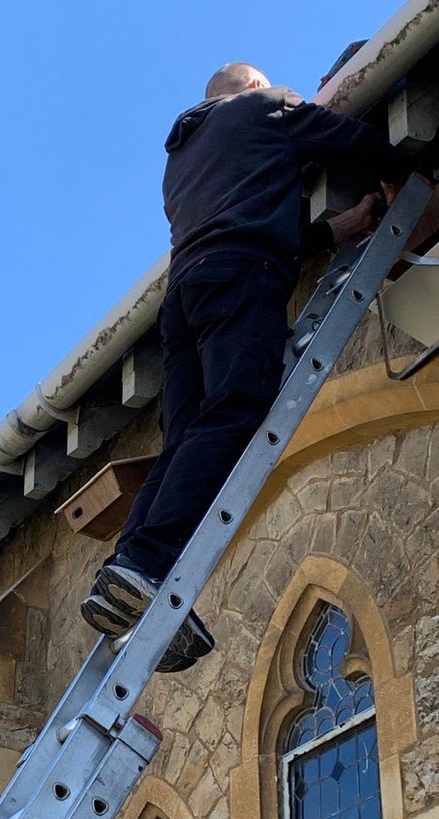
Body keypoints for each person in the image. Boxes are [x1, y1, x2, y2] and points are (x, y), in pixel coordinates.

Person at [81, 62, 410, 672]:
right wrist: (408, 169)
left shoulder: (182, 160)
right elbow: (350, 137)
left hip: (185, 301)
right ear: (256, 87)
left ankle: (130, 570)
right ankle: (151, 563)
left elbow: (242, 217)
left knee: (184, 439)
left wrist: (329, 231)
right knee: (236, 414)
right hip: (241, 278)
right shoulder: (264, 107)